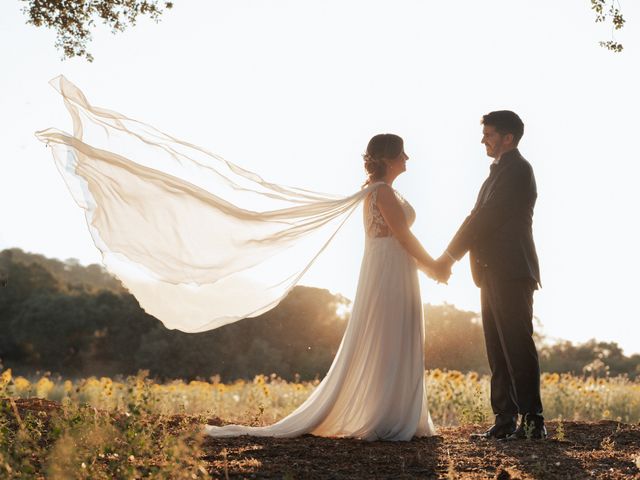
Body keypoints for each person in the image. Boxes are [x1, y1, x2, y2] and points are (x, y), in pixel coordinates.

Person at [204, 134, 440, 440]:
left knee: (395, 335)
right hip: (389, 271)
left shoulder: (381, 191)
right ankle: (385, 414)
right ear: (388, 159)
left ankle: (394, 411)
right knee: (389, 335)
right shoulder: (381, 191)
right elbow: (404, 238)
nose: (407, 158)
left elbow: (401, 239)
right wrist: (434, 266)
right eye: (402, 154)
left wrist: (426, 268)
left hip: (396, 268)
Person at [433, 111, 545, 440]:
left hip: (512, 270)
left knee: (516, 344)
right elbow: (475, 216)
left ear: (508, 138)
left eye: (490, 134)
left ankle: (533, 420)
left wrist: (448, 257)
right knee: (497, 348)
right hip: (489, 271)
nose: (484, 139)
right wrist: (449, 256)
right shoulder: (494, 175)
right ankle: (505, 420)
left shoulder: (519, 170)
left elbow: (485, 218)